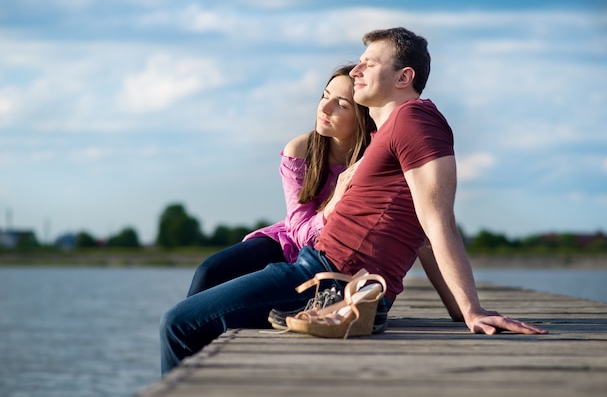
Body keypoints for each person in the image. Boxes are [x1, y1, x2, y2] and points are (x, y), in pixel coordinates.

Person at [160, 27, 547, 376]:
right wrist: (458, 310)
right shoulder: (389, 131)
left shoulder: (414, 119)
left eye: (369, 63)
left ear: (403, 77)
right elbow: (420, 230)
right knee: (209, 288)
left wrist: (471, 309)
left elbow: (436, 220)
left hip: (327, 276)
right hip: (325, 270)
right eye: (358, 63)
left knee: (178, 323)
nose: (357, 71)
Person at [185, 64, 374, 297]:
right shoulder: (300, 150)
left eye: (341, 105)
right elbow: (300, 233)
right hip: (288, 243)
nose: (324, 108)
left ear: (364, 118)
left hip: (334, 261)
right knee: (210, 271)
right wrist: (334, 203)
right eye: (324, 96)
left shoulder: (375, 159)